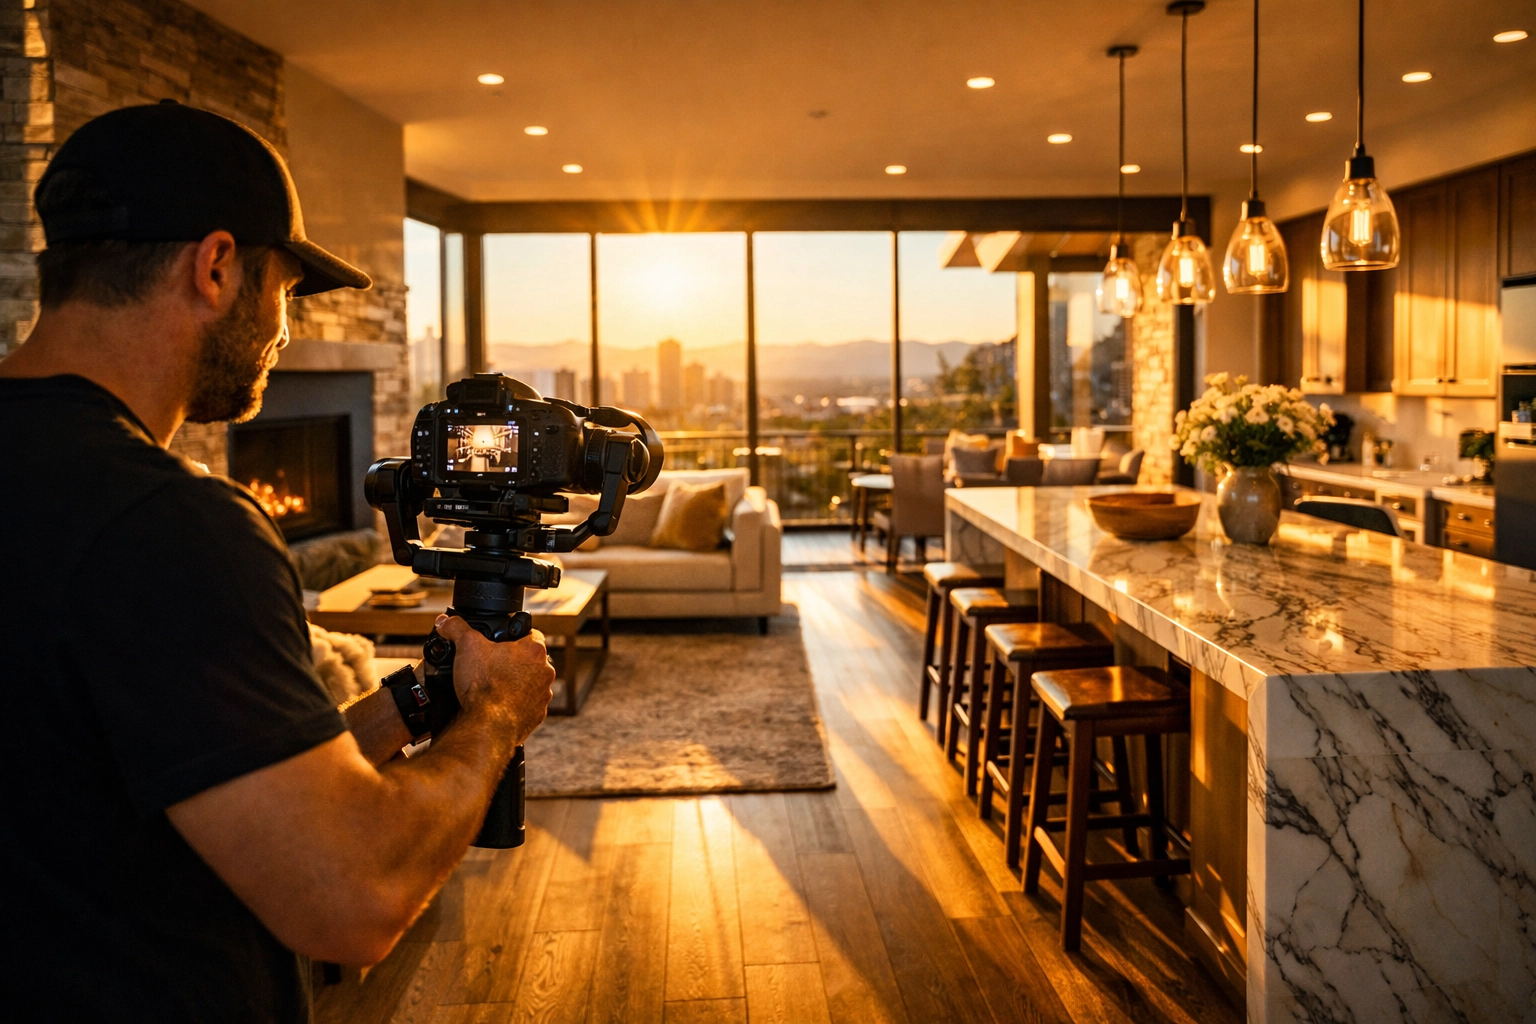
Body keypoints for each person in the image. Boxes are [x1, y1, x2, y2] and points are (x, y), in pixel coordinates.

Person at [0, 102, 555, 1023]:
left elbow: (156, 772)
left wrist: (409, 708)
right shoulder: (166, 524)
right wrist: (496, 715)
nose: (286, 331)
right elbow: (355, 895)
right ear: (215, 267)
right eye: (286, 292)